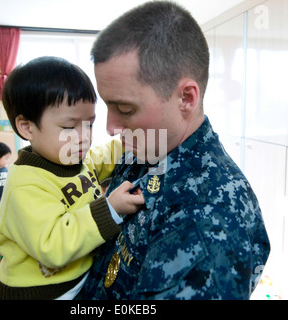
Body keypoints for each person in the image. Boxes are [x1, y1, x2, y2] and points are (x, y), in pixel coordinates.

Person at [82, 1, 270, 300]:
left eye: (125, 108)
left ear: (185, 98)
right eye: (107, 105)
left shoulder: (207, 221)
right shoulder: (146, 148)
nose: (110, 127)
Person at [0, 56, 144, 300]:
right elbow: (53, 245)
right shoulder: (25, 185)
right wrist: (110, 209)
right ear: (27, 127)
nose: (84, 137)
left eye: (89, 125)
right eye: (68, 127)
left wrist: (131, 139)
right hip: (40, 294)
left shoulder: (76, 160)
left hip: (76, 283)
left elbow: (106, 154)